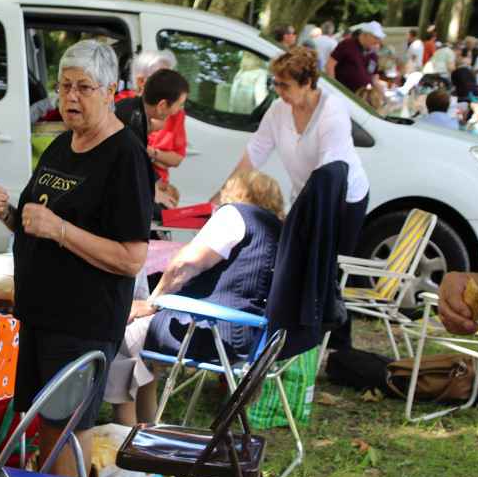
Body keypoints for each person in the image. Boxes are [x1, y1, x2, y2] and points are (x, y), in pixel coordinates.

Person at [0, 39, 153, 477]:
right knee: (47, 425)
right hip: (40, 316)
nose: (71, 97)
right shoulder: (62, 146)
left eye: (84, 88)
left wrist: (60, 229)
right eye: (64, 86)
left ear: (111, 90)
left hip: (83, 323)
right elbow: (33, 225)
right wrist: (9, 215)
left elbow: (132, 258)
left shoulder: (126, 157)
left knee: (67, 431)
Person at [214, 46, 370, 349]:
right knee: (300, 264)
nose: (278, 91)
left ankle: (337, 343)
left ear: (308, 83)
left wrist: (298, 213)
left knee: (328, 268)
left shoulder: (332, 109)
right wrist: (224, 194)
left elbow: (330, 171)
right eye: (276, 83)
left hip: (343, 199)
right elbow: (255, 152)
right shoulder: (279, 110)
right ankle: (302, 337)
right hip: (307, 195)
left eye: (285, 85)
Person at [105, 170, 284, 425]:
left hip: (213, 331)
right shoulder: (275, 229)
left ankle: (124, 430)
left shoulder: (235, 215)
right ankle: (147, 425)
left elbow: (185, 264)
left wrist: (154, 302)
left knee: (125, 332)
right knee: (145, 348)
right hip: (249, 337)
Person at [116, 51, 189, 185]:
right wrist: (157, 158)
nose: (171, 88)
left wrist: (151, 154)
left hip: (156, 180)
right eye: (162, 79)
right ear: (141, 81)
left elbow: (177, 159)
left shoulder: (175, 111)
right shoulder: (122, 106)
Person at [326, 21, 386, 92]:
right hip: (341, 92)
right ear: (365, 35)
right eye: (375, 37)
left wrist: (379, 91)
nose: (377, 41)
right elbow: (330, 65)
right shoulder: (347, 44)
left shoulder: (373, 55)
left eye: (379, 38)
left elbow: (374, 77)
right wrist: (332, 86)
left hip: (359, 96)